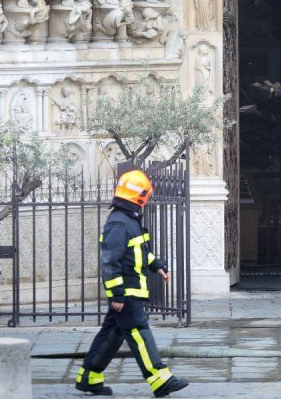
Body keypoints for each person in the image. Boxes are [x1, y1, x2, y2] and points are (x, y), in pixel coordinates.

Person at [76, 170, 188, 397]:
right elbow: (110, 260)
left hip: (130, 289)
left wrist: (156, 264)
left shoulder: (128, 221)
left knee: (112, 334)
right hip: (126, 291)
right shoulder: (119, 222)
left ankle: (89, 377)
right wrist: (117, 293)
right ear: (141, 197)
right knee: (139, 332)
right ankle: (159, 378)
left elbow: (138, 252)